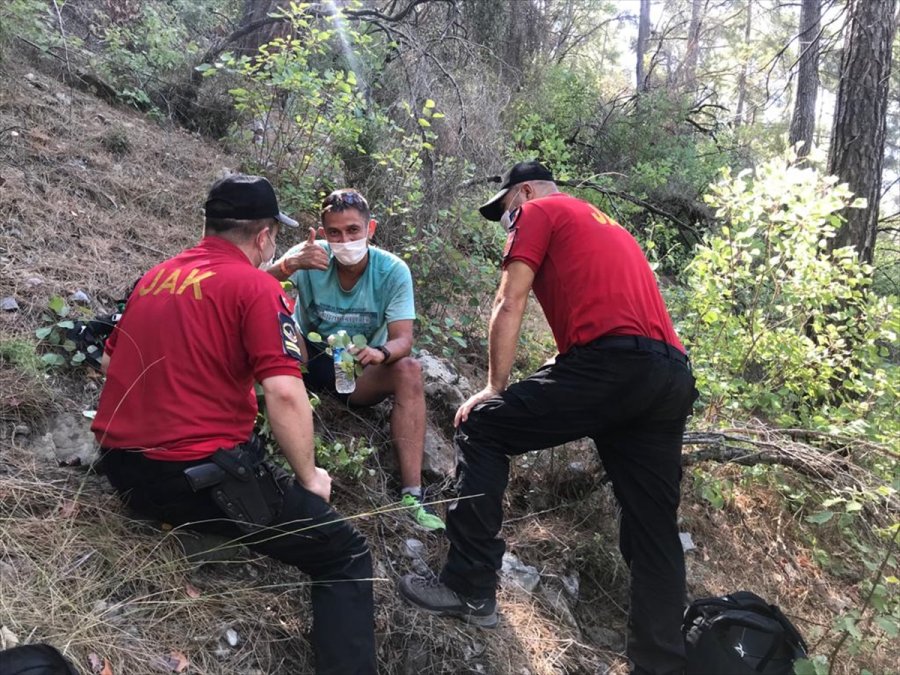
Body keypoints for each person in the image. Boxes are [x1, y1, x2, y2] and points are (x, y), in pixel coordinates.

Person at [398, 161, 698, 675]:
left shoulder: (539, 211)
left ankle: (468, 587)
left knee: (483, 426)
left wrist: (494, 387)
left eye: (506, 211)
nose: (507, 224)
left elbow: (508, 300)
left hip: (616, 368)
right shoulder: (605, 224)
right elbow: (611, 321)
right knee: (653, 530)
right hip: (667, 375)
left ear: (527, 192)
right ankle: (660, 664)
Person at [92, 174, 377, 675]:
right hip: (198, 481)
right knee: (345, 555)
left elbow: (111, 364)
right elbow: (285, 392)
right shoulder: (255, 287)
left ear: (210, 226)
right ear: (265, 236)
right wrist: (310, 480)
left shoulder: (154, 277)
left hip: (122, 472)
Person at [268, 189, 444, 532]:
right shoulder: (309, 257)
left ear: (370, 228)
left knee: (408, 370)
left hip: (357, 368)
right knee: (275, 320)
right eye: (334, 232)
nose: (344, 240)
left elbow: (404, 338)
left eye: (353, 230)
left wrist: (382, 353)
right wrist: (287, 266)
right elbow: (244, 287)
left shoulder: (392, 270)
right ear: (322, 233)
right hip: (302, 359)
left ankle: (412, 493)